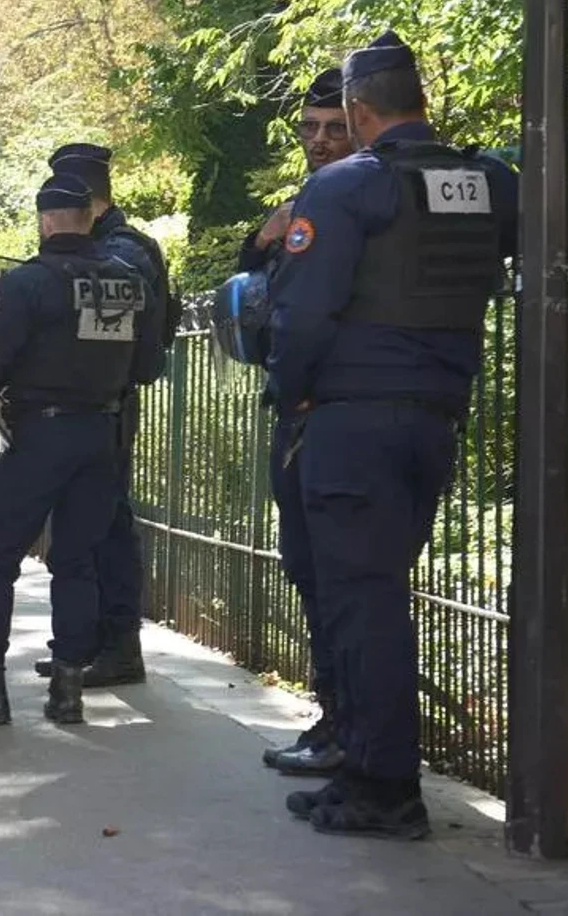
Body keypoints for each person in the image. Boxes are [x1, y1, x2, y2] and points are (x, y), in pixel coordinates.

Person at [269, 31, 517, 839]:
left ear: (357, 110)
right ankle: (367, 773)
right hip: (436, 416)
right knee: (377, 595)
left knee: (361, 603)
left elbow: (304, 314)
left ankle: (383, 786)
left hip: (352, 423)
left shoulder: (346, 188)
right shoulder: (490, 182)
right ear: (422, 100)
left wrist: (290, 395)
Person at [0, 173, 155, 728]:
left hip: (40, 437)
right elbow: (148, 364)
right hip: (102, 435)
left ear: (46, 220)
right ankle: (68, 691)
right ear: (89, 217)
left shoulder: (28, 283)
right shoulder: (128, 282)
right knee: (77, 562)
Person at [221, 68, 357, 778]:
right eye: (310, 128)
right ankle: (336, 717)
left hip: (326, 411)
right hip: (301, 411)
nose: (320, 140)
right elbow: (258, 293)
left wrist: (296, 390)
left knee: (339, 577)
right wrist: (260, 238)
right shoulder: (304, 204)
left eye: (334, 128)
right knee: (309, 569)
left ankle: (348, 727)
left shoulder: (355, 202)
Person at [30, 142, 173, 690]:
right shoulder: (104, 247)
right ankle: (85, 643)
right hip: (87, 405)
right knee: (86, 525)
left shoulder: (124, 252)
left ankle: (119, 646)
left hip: (107, 404)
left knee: (108, 525)